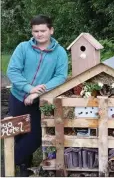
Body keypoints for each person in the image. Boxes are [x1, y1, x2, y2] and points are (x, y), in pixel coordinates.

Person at [7, 15, 68, 176]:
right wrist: (29, 88)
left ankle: (9, 161)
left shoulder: (60, 53)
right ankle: (23, 168)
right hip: (18, 96)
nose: (39, 34)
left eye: (43, 30)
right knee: (19, 132)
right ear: (32, 32)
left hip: (41, 101)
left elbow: (61, 76)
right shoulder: (23, 48)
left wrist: (37, 93)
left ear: (51, 30)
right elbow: (12, 71)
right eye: (36, 31)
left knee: (36, 135)